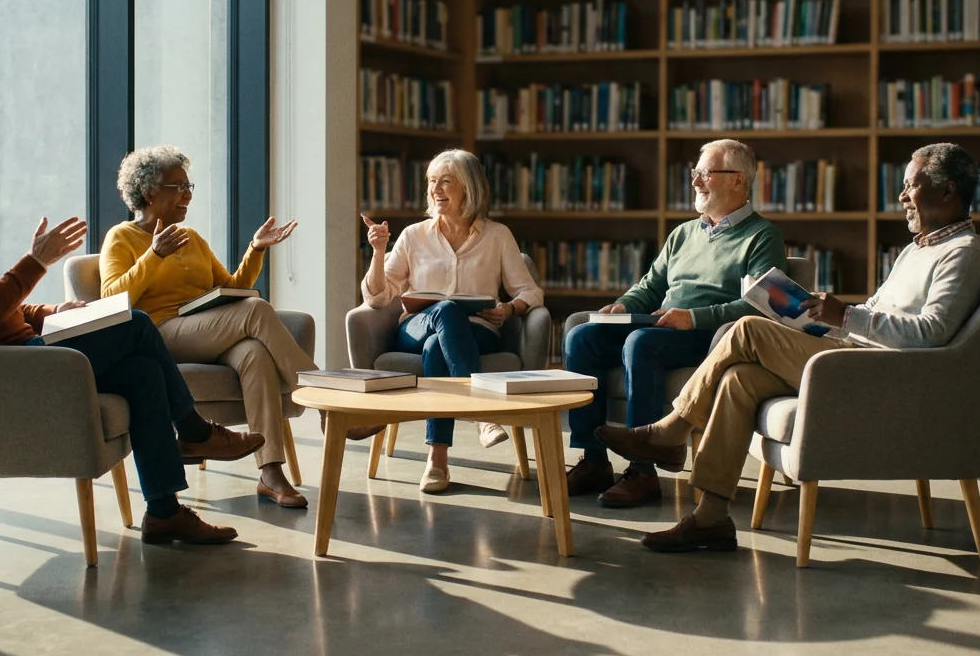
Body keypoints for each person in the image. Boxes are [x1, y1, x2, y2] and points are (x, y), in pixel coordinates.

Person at [599, 142, 980, 553]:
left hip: (882, 375)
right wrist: (826, 317)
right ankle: (711, 518)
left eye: (910, 185)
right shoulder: (919, 249)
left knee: (748, 328)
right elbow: (880, 312)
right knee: (741, 379)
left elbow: (930, 333)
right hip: (854, 356)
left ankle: (671, 429)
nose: (900, 197)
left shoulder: (964, 255)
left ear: (946, 192)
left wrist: (846, 317)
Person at [0, 125, 261, 545]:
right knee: (135, 323)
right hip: (8, 369)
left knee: (142, 374)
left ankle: (164, 511)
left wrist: (53, 311)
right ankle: (193, 430)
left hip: (18, 352)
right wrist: (35, 262)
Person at [563, 139, 786, 508]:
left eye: (705, 174)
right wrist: (622, 306)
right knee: (582, 337)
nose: (696, 182)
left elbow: (759, 308)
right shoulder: (683, 233)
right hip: (661, 325)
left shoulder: (763, 236)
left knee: (641, 343)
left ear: (738, 181)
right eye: (695, 173)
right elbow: (651, 286)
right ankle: (594, 460)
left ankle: (642, 471)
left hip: (708, 337)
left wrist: (692, 318)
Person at [99, 145, 326, 509]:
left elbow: (233, 286)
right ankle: (327, 400)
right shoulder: (122, 237)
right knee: (255, 311)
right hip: (160, 332)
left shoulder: (193, 238)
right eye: (177, 186)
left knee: (254, 353)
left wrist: (255, 248)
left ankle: (270, 473)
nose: (187, 194)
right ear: (148, 192)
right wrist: (153, 256)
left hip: (205, 330)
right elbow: (110, 297)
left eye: (189, 185)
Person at [361, 149, 544, 493]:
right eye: (431, 181)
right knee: (443, 312)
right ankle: (482, 414)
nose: (436, 189)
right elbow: (376, 297)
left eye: (446, 181)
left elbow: (531, 292)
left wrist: (509, 310)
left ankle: (437, 460)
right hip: (415, 326)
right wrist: (378, 252)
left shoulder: (498, 236)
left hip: (478, 331)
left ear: (469, 189)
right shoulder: (414, 235)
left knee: (437, 348)